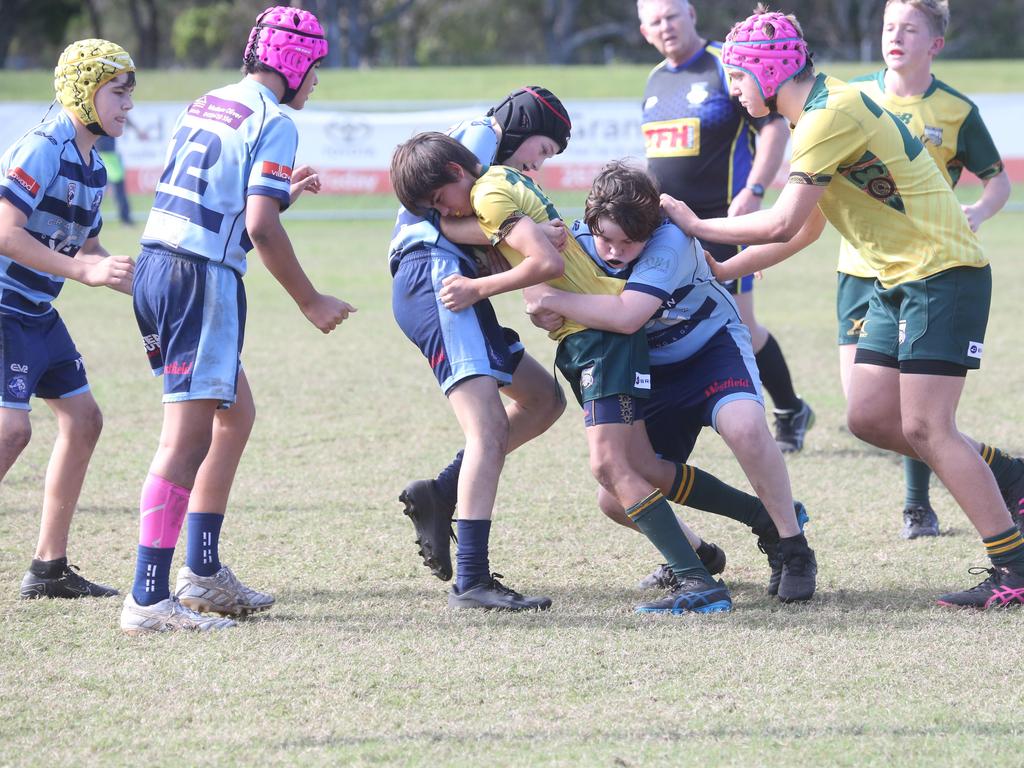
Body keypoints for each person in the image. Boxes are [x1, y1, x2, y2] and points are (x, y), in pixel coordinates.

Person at [661, 5, 1024, 609]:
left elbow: (780, 221)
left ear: (769, 72)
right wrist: (725, 269)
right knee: (870, 418)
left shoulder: (828, 115)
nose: (732, 89)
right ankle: (1009, 476)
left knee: (927, 426)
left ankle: (1011, 568)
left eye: (738, 76)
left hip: (942, 271)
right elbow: (803, 233)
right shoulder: (822, 110)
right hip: (895, 279)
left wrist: (696, 224)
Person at [391, 132, 800, 613]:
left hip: (603, 340)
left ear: (459, 173)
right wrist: (446, 223)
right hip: (591, 337)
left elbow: (544, 261)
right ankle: (753, 526)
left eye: (443, 200)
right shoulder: (499, 185)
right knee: (637, 472)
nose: (449, 211)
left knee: (610, 467)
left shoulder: (490, 193)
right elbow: (525, 241)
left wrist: (480, 289)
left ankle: (698, 580)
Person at [120, 6, 355, 634]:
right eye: (317, 69)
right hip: (199, 279)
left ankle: (199, 570)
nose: (317, 83)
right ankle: (147, 598)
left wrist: (283, 195)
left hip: (159, 264)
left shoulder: (208, 101)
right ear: (296, 63)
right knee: (187, 440)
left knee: (234, 415)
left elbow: (223, 206)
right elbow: (257, 223)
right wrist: (310, 299)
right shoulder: (275, 120)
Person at [524, 161, 816, 602]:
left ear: (652, 228)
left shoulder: (671, 240)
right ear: (588, 221)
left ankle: (793, 547)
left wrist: (552, 299)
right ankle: (699, 557)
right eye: (605, 238)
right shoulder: (575, 237)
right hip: (652, 368)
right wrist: (542, 307)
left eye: (629, 242)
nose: (615, 251)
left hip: (710, 350)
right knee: (618, 495)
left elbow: (627, 317)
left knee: (745, 427)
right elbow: (546, 298)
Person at [836, 0, 1013, 539]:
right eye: (890, 26)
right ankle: (1000, 471)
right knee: (868, 411)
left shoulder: (956, 110)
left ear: (934, 43)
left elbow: (997, 180)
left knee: (916, 408)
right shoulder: (853, 98)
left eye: (909, 28)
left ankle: (918, 505)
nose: (896, 36)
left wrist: (979, 212)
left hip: (925, 267)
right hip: (860, 269)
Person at [637, 0, 814, 453]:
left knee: (741, 325)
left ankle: (790, 408)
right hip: (669, 231)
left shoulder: (725, 64)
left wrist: (754, 189)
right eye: (655, 21)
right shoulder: (655, 80)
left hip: (725, 225)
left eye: (672, 16)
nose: (666, 26)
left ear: (691, 15)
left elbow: (773, 128)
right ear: (644, 31)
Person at [0, 39, 136, 600]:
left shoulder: (95, 166)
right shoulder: (43, 148)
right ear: (84, 93)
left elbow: (92, 246)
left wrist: (138, 277)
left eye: (131, 94)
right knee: (12, 431)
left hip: (38, 312)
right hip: (5, 310)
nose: (128, 106)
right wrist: (82, 273)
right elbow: (5, 231)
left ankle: (48, 570)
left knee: (83, 421)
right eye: (118, 93)